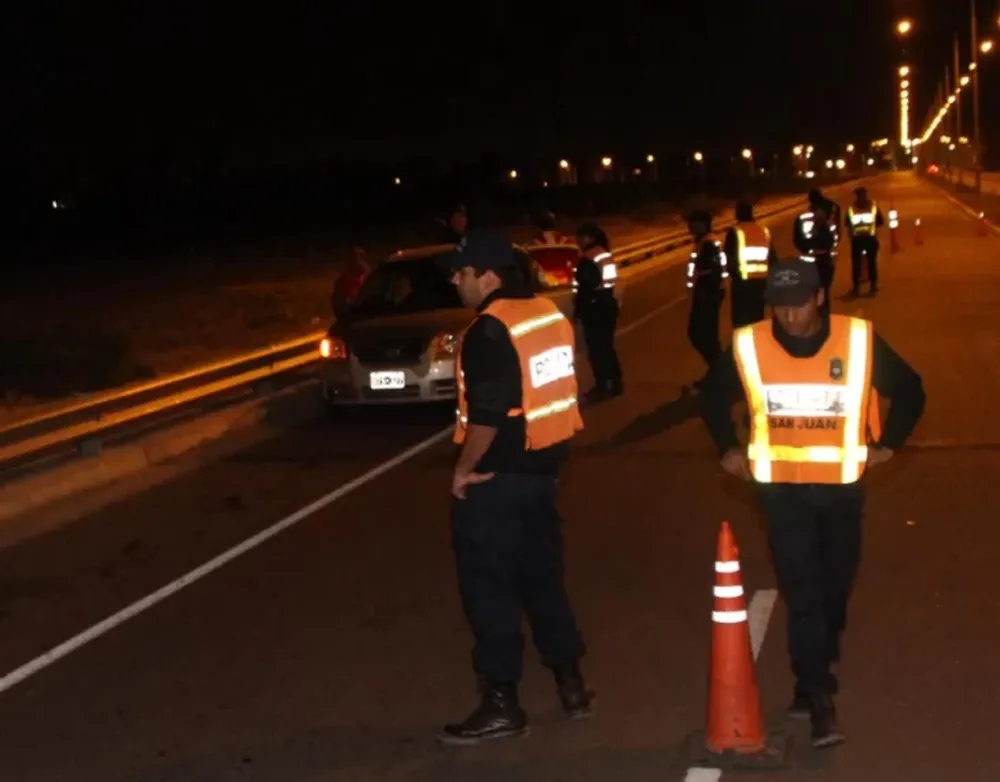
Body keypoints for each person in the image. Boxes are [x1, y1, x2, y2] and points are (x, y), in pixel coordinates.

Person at [699, 258, 925, 749]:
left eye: (799, 304)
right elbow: (712, 395)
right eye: (779, 306)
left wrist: (891, 444)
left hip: (842, 491)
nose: (789, 316)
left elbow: (911, 389)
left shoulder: (858, 341)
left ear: (819, 298)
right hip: (781, 492)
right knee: (803, 592)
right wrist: (727, 448)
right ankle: (818, 698)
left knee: (834, 590)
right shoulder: (749, 344)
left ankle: (815, 668)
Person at [441, 231, 590, 745]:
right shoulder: (549, 315)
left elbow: (487, 413)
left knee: (490, 594)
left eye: (461, 272)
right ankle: (571, 684)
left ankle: (501, 703)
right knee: (543, 583)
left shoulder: (489, 330)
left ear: (488, 276)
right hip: (542, 474)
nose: (454, 281)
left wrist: (463, 469)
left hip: (495, 482)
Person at [574, 222, 623, 400]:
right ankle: (616, 383)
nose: (579, 241)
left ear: (590, 238)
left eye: (581, 237)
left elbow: (586, 287)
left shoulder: (589, 258)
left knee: (597, 349)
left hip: (595, 307)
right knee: (607, 347)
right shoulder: (603, 253)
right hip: (608, 304)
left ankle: (602, 385)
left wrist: (579, 309)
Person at [686, 209, 728, 388]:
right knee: (704, 335)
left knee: (701, 334)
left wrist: (705, 292)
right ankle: (718, 373)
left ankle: (721, 373)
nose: (690, 227)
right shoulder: (703, 242)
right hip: (707, 292)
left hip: (708, 293)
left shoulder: (709, 243)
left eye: (694, 223)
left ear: (703, 225)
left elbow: (712, 271)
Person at [723, 199, 778, 328]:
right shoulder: (764, 231)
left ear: (737, 214)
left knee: (741, 322)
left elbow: (728, 259)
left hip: (742, 284)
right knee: (757, 319)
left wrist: (733, 276)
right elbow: (773, 259)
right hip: (761, 284)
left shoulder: (735, 232)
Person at [794, 189, 838, 315]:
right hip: (824, 261)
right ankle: (822, 317)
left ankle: (816, 317)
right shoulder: (828, 220)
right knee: (823, 293)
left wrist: (808, 247)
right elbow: (833, 240)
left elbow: (797, 240)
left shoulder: (802, 219)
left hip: (811, 262)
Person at [844, 186, 885, 297]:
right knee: (871, 263)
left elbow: (847, 224)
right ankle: (872, 287)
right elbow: (880, 222)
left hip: (858, 240)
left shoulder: (852, 208)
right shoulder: (872, 207)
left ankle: (857, 288)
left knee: (858, 264)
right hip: (869, 239)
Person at [330, 246, 371, 320]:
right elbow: (340, 306)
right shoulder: (342, 282)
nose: (361, 263)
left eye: (362, 259)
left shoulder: (369, 279)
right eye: (356, 260)